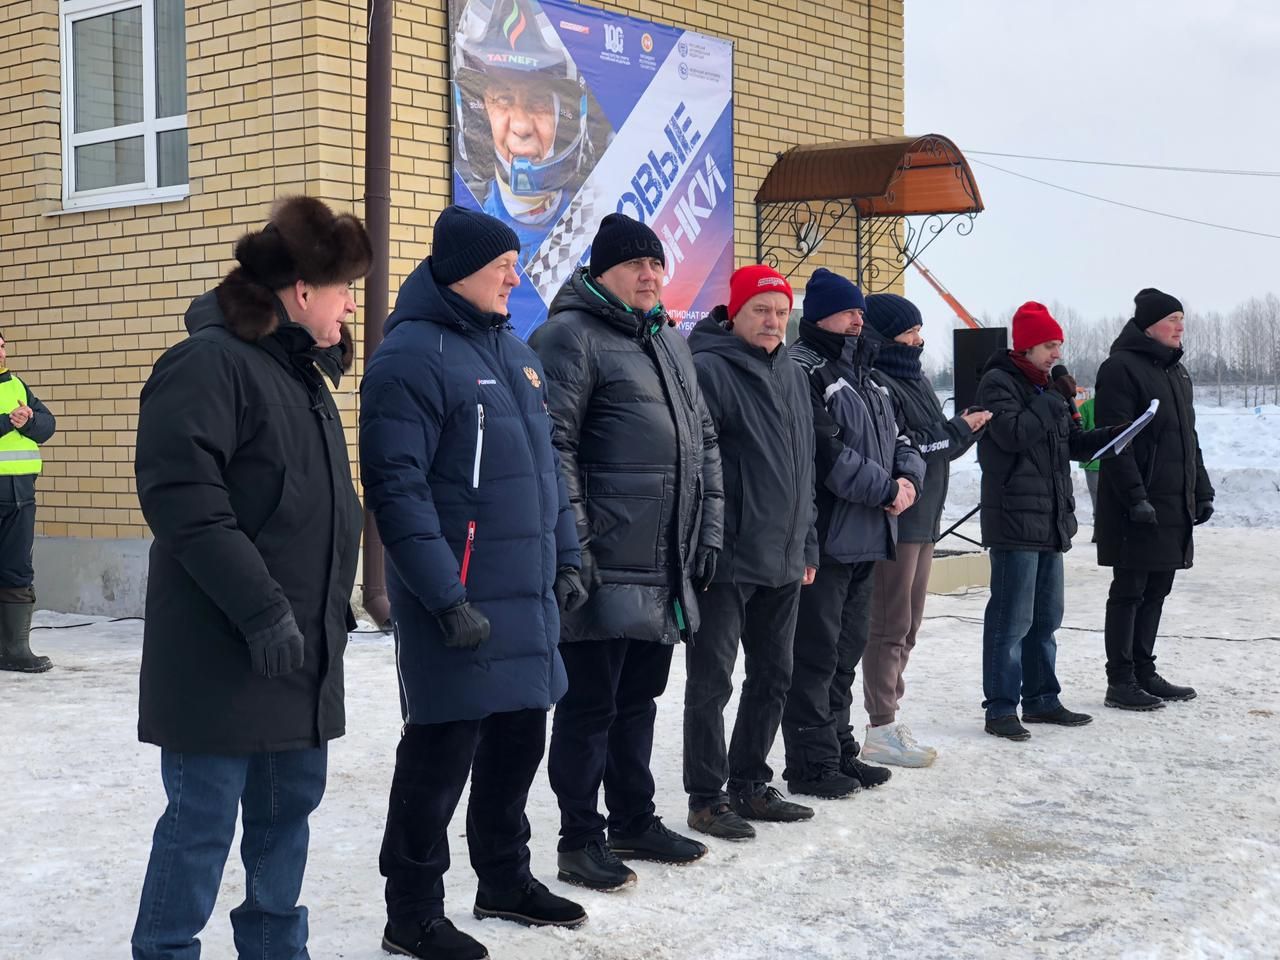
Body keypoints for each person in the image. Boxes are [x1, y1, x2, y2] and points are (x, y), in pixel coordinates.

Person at [131, 197, 369, 960]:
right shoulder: (209, 364)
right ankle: (166, 950)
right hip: (222, 654)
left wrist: (325, 608)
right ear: (301, 289)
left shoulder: (301, 375)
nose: (352, 303)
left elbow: (309, 509)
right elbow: (187, 504)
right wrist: (264, 610)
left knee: (284, 823)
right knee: (201, 825)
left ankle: (275, 950)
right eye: (345, 289)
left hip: (296, 655)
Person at [361, 205, 588, 960]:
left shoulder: (516, 353)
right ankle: (412, 913)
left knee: (521, 739)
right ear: (463, 270)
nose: (515, 277)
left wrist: (566, 557)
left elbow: (548, 469)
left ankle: (505, 879)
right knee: (438, 756)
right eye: (504, 266)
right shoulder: (410, 358)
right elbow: (397, 488)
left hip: (524, 593)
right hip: (455, 600)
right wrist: (442, 596)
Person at [529, 213, 723, 891]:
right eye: (635, 265)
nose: (649, 275)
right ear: (601, 271)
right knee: (589, 707)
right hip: (602, 561)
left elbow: (703, 443)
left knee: (639, 698)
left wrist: (709, 532)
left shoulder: (668, 339)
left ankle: (633, 819)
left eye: (656, 265)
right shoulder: (568, 338)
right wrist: (573, 546)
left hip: (663, 559)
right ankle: (579, 838)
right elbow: (551, 451)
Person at [683, 265, 818, 841]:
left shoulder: (791, 371)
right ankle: (707, 797)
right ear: (734, 312)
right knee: (712, 681)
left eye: (781, 312)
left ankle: (750, 782)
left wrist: (808, 540)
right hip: (729, 558)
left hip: (785, 556)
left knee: (775, 675)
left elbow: (804, 466)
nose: (772, 321)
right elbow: (696, 468)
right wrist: (705, 545)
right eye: (761, 309)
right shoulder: (708, 369)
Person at [782, 268, 924, 798]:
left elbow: (904, 438)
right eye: (849, 311)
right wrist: (886, 488)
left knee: (845, 654)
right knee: (815, 656)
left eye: (861, 312)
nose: (859, 320)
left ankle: (839, 749)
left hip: (871, 537)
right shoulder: (806, 370)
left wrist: (907, 478)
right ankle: (809, 762)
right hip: (828, 539)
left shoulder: (871, 378)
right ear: (820, 315)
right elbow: (825, 455)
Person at [975, 301, 1120, 741]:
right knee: (1011, 618)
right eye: (1049, 345)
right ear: (1027, 346)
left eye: (1058, 345)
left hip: (1051, 521)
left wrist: (1114, 436)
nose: (1056, 353)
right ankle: (1001, 708)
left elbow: (1072, 445)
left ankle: (1042, 699)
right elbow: (1014, 435)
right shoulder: (999, 383)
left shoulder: (1048, 390)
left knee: (1046, 617)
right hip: (1015, 521)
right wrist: (1054, 401)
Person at [860, 293, 989, 765]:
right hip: (898, 520)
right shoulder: (877, 380)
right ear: (887, 333)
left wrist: (964, 431)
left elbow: (936, 448)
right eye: (910, 331)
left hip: (926, 519)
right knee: (890, 624)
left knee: (910, 626)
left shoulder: (915, 378)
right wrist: (955, 430)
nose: (919, 339)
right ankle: (880, 724)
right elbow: (908, 445)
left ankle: (891, 714)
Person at [1094, 288, 1213, 711]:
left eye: (1182, 318)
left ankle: (1144, 670)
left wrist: (1201, 488)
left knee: (1159, 585)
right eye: (1173, 318)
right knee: (1130, 588)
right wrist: (1135, 497)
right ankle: (1120, 679)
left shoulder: (1176, 373)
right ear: (1149, 326)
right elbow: (1117, 441)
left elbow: (1187, 437)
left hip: (1171, 498)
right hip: (1136, 502)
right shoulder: (1120, 369)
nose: (1181, 326)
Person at [452, 0, 597, 263]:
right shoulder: (469, 226)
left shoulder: (594, 222)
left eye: (539, 102)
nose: (520, 126)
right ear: (479, 112)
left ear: (566, 115)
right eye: (503, 99)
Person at [0, 331, 56, 673]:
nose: (1, 351)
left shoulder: (17, 386)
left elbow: (48, 425)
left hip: (20, 494)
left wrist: (31, 420)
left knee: (17, 568)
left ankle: (16, 649)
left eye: (3, 345)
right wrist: (8, 422)